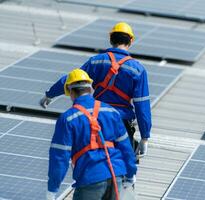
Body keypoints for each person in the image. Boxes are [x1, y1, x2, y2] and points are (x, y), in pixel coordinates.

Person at [41, 22, 151, 159]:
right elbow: (142, 105)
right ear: (131, 41)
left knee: (93, 159)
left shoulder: (96, 61)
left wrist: (50, 94)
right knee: (124, 163)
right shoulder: (137, 69)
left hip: (96, 118)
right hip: (121, 122)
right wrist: (145, 137)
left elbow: (72, 79)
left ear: (111, 39)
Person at [46, 69, 137, 200]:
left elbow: (60, 157)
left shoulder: (68, 119)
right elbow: (125, 147)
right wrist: (130, 174)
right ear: (90, 89)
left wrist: (52, 189)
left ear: (70, 92)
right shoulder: (111, 111)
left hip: (90, 178)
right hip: (116, 175)